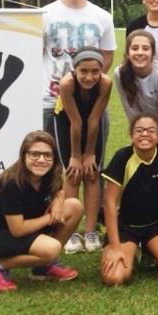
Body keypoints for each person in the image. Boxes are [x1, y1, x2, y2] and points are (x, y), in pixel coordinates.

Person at [0, 130, 84, 291]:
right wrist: (50, 218)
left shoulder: (48, 174)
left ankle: (42, 267)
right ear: (24, 155)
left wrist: (59, 203)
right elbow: (18, 230)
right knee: (52, 248)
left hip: (27, 227)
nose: (41, 160)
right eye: (35, 154)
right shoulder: (11, 184)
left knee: (74, 206)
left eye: (47, 155)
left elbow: (59, 189)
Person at [100, 114, 158, 285]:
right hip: (126, 226)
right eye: (139, 130)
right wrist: (114, 246)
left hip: (157, 224)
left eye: (151, 130)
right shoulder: (122, 157)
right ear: (131, 135)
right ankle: (132, 253)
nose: (145, 134)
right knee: (116, 277)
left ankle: (151, 251)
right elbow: (110, 203)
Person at [42, 0, 115, 131]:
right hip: (51, 100)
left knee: (92, 156)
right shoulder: (44, 15)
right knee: (49, 156)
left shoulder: (103, 17)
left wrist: (87, 83)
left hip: (89, 100)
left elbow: (107, 55)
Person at [51, 49, 111, 253]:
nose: (89, 76)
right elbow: (76, 122)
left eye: (95, 71)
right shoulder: (66, 84)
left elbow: (94, 120)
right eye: (83, 71)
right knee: (73, 173)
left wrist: (90, 154)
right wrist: (76, 156)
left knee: (93, 173)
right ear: (74, 70)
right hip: (66, 120)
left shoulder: (105, 83)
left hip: (94, 120)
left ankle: (91, 231)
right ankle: (72, 232)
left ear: (101, 70)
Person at [114, 30, 158, 133]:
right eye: (135, 48)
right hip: (143, 121)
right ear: (127, 53)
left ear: (153, 53)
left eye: (145, 49)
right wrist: (141, 131)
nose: (140, 53)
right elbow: (131, 110)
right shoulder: (119, 73)